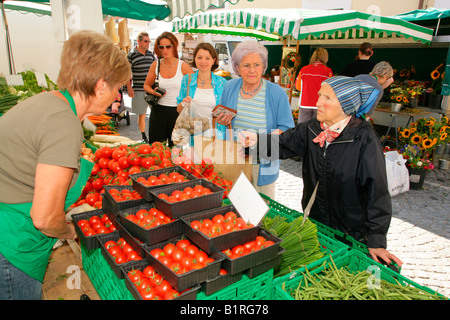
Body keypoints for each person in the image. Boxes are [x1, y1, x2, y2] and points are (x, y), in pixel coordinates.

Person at [0, 30, 131, 300]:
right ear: (100, 86)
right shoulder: (63, 125)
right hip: (11, 246)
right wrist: (72, 231)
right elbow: (45, 218)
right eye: (118, 87)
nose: (118, 95)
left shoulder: (46, 103)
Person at [238, 76, 403, 267]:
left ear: (345, 105)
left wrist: (376, 239)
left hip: (352, 231)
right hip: (317, 223)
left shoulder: (363, 138)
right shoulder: (312, 128)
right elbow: (284, 144)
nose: (318, 103)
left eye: (327, 98)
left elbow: (377, 189)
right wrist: (256, 142)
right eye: (319, 96)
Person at [216, 41, 295, 199]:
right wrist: (223, 120)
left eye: (257, 64)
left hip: (263, 163)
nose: (252, 70)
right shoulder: (230, 87)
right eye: (246, 65)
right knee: (233, 207)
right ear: (237, 68)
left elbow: (287, 129)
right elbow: (225, 119)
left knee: (262, 211)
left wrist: (258, 141)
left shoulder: (276, 93)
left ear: (263, 66)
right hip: (234, 160)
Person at [143, 31, 193, 147]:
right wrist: (153, 91)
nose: (165, 50)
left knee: (175, 148)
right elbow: (146, 85)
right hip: (158, 111)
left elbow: (194, 86)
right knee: (156, 147)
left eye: (168, 47)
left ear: (174, 46)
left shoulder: (183, 66)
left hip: (177, 112)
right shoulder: (156, 65)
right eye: (161, 47)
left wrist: (187, 100)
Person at [176, 42, 227, 140]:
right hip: (193, 135)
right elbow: (178, 109)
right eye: (199, 57)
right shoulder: (187, 80)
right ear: (194, 59)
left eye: (207, 58)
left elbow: (227, 111)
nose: (203, 61)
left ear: (213, 60)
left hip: (216, 135)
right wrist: (184, 103)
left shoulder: (222, 82)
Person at [126, 32, 156, 143]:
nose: (148, 43)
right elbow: (126, 73)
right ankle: (143, 136)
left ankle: (154, 133)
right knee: (142, 114)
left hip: (151, 90)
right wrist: (129, 87)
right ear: (138, 41)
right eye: (145, 41)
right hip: (138, 89)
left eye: (149, 41)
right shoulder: (131, 55)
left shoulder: (150, 54)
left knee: (155, 113)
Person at [294, 48, 333, 123]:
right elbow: (331, 89)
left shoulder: (304, 70)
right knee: (317, 130)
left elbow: (298, 87)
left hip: (304, 103)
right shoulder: (328, 71)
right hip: (320, 105)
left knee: (302, 129)